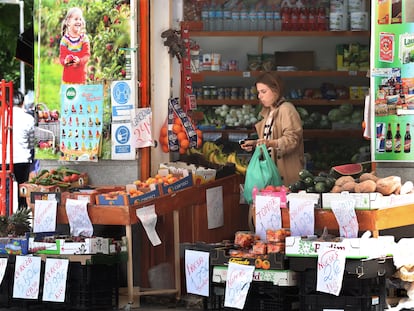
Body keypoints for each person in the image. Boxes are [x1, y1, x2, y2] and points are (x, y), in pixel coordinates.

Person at [241, 71, 304, 186]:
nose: (260, 96)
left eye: (263, 92)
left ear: (276, 90)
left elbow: (292, 140)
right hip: (272, 174)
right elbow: (269, 139)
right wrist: (256, 143)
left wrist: (270, 143)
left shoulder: (286, 109)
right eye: (259, 92)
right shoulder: (268, 112)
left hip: (286, 175)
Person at [12, 90, 35, 208]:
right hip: (22, 159)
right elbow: (32, 143)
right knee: (22, 192)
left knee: (5, 191)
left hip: (3, 160)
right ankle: (22, 218)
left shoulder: (2, 116)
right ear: (22, 102)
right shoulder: (28, 118)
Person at [59, 7, 90, 84]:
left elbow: (87, 55)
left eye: (80, 19)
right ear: (68, 22)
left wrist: (80, 61)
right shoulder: (64, 40)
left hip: (81, 79)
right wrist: (65, 61)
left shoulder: (84, 39)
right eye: (76, 19)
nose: (79, 21)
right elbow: (62, 57)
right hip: (67, 79)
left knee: (81, 96)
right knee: (69, 95)